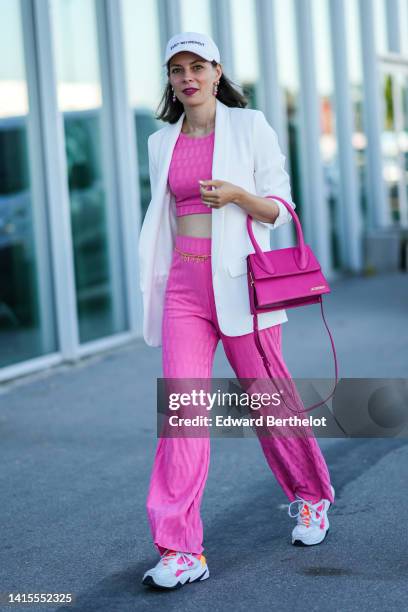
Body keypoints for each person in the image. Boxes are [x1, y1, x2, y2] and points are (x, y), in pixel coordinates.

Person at [139, 31, 335, 590]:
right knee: (183, 415)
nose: (187, 77)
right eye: (176, 69)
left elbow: (280, 207)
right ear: (171, 81)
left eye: (197, 66)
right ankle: (180, 549)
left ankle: (310, 496)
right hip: (183, 287)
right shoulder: (161, 143)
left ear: (217, 71)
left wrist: (238, 197)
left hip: (241, 284)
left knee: (269, 401)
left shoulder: (250, 127)